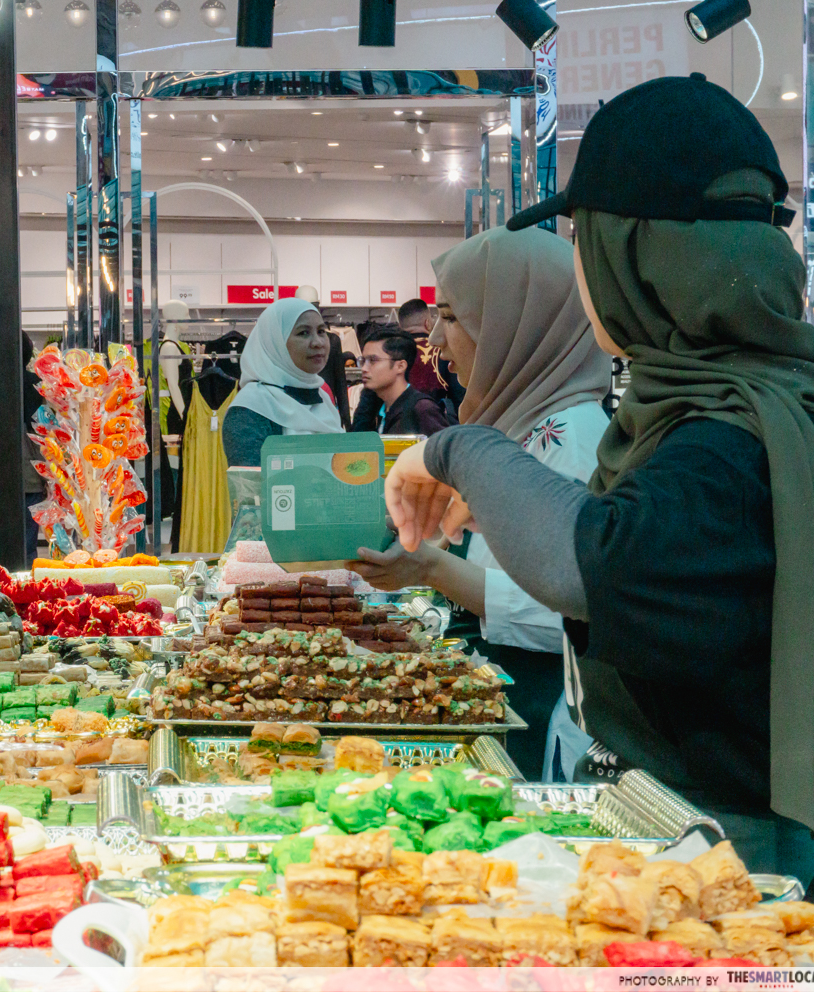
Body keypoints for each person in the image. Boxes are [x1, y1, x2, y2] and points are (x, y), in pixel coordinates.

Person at [381, 75, 814, 890]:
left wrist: (460, 452)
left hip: (723, 853)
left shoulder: (726, 436)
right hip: (722, 825)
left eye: (586, 241)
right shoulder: (784, 403)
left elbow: (594, 563)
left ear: (634, 256)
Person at [349, 226, 611, 781]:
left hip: (547, 705)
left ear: (515, 325)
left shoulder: (568, 437)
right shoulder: (524, 427)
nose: (436, 341)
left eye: (452, 315)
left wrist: (432, 567)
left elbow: (566, 612)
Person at [220, 297, 343, 468]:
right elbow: (250, 488)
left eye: (321, 331)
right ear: (275, 341)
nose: (318, 342)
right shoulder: (252, 407)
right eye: (303, 333)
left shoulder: (322, 398)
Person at [0, 331, 48, 562]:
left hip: (8, 477)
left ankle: (3, 588)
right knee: (26, 546)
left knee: (6, 546)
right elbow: (48, 435)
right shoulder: (36, 385)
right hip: (31, 476)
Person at [352, 330, 450, 436]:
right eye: (363, 361)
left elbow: (446, 450)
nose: (364, 368)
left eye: (373, 360)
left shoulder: (422, 409)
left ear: (400, 366)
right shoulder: (376, 408)